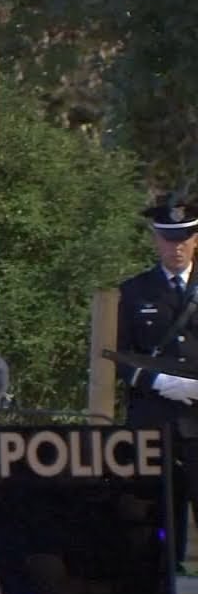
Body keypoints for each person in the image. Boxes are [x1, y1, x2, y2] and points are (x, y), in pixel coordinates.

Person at [115, 195, 198, 571]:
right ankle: (166, 571)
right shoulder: (135, 292)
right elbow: (119, 355)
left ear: (195, 240)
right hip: (154, 416)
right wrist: (159, 381)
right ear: (155, 240)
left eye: (183, 238)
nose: (175, 247)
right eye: (168, 238)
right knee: (158, 508)